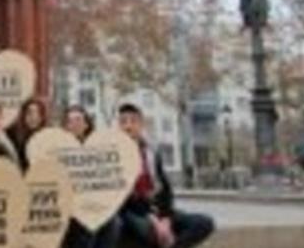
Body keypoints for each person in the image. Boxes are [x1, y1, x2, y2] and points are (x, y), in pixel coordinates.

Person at [117, 103, 215, 248]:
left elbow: (165, 188)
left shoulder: (151, 151)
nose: (128, 126)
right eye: (123, 122)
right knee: (147, 232)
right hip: (132, 212)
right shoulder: (114, 155)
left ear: (141, 124)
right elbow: (119, 198)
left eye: (133, 121)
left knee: (204, 223)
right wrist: (152, 219)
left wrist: (165, 218)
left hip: (157, 210)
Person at [62, 105, 120, 248]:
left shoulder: (95, 149)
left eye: (78, 120)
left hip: (92, 202)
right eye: (70, 121)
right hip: (69, 205)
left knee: (114, 223)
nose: (74, 124)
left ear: (86, 124)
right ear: (66, 126)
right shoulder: (59, 148)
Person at [7, 97, 48, 170]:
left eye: (38, 113)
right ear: (23, 115)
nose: (34, 117)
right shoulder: (11, 134)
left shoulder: (48, 135)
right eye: (30, 113)